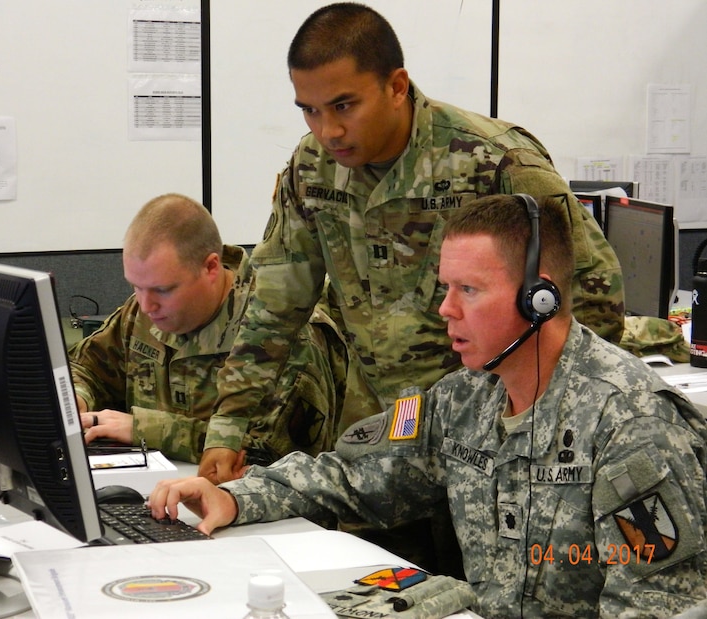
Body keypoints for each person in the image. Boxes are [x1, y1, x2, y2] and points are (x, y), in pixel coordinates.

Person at [149, 194, 707, 619]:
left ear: (539, 299)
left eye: (468, 290)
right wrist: (233, 497)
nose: (445, 310)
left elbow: (656, 607)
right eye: (446, 288)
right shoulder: (463, 396)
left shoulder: (631, 428)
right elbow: (353, 476)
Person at [198, 2, 624, 485]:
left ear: (396, 87)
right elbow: (274, 307)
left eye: (343, 106)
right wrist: (227, 427)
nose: (327, 130)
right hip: (380, 432)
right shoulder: (313, 168)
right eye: (310, 111)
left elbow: (592, 297)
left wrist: (535, 423)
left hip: (488, 439)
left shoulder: (493, 162)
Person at [69, 193, 347, 466]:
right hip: (158, 491)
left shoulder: (280, 331)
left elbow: (278, 458)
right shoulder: (142, 313)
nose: (146, 305)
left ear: (211, 267)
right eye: (136, 286)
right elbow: (87, 367)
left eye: (163, 290)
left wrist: (150, 430)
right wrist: (78, 398)